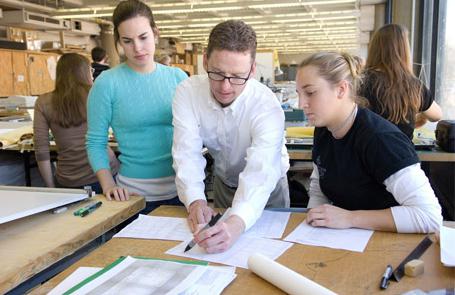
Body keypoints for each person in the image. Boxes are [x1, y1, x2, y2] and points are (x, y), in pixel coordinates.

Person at [172, 20, 290, 253]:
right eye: (217, 73)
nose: (226, 87)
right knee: (223, 255)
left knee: (267, 253)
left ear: (253, 70)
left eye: (237, 76)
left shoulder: (266, 105)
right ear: (205, 60)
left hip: (268, 190)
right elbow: (186, 152)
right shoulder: (187, 92)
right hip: (224, 185)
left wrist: (237, 223)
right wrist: (195, 199)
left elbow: (261, 172)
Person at [296, 51, 442, 233]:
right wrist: (313, 220)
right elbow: (320, 185)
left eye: (310, 93)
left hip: (390, 243)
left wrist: (350, 218)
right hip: (346, 239)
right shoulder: (323, 129)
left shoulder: (380, 139)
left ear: (341, 90)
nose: (301, 103)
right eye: (299, 94)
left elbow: (429, 216)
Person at [86, 0, 188, 212]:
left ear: (155, 34)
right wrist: (108, 184)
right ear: (119, 43)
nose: (138, 48)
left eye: (143, 37)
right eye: (128, 41)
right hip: (131, 196)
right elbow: (95, 142)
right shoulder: (107, 83)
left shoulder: (177, 78)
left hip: (182, 191)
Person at [34, 53, 118, 193]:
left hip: (68, 180)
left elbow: (41, 149)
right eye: (90, 70)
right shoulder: (96, 94)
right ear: (84, 72)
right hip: (106, 175)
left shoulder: (43, 102)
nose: (92, 74)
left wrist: (50, 188)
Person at [360, 24, 442, 139]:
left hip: (365, 154)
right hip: (402, 154)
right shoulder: (414, 86)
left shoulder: (360, 81)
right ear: (404, 50)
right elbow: (437, 116)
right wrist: (414, 112)